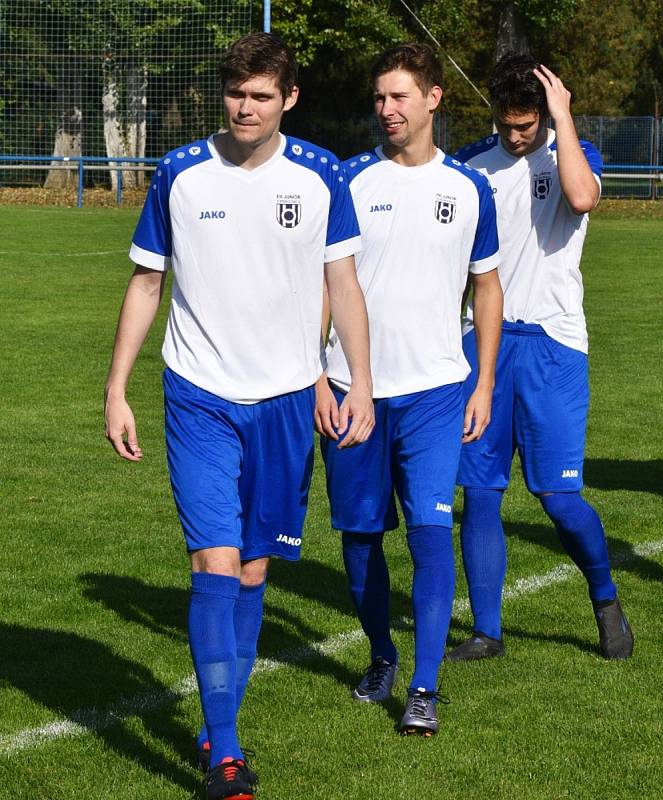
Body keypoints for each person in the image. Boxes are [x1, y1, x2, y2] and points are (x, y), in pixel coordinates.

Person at [104, 32, 374, 800]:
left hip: (289, 400)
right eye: (234, 94)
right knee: (214, 563)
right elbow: (146, 284)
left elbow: (345, 287)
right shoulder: (181, 173)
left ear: (288, 99)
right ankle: (225, 752)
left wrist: (356, 382)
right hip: (198, 395)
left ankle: (218, 720)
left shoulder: (322, 175)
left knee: (254, 568)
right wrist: (116, 387)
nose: (244, 108)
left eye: (260, 96)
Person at [315, 43, 503, 736]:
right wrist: (316, 377)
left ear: (432, 99)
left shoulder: (468, 188)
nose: (385, 109)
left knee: (430, 534)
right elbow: (318, 287)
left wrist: (481, 381)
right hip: (350, 391)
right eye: (378, 98)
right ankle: (382, 654)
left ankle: (423, 687)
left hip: (434, 393)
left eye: (398, 96)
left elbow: (486, 288)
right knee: (360, 539)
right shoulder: (347, 180)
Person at [447, 52, 633, 663]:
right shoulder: (472, 163)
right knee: (480, 492)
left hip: (554, 346)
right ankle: (487, 631)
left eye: (527, 125)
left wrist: (562, 117)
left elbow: (581, 200)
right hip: (484, 345)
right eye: (507, 125)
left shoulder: (571, 154)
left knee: (558, 498)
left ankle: (604, 595)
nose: (515, 135)